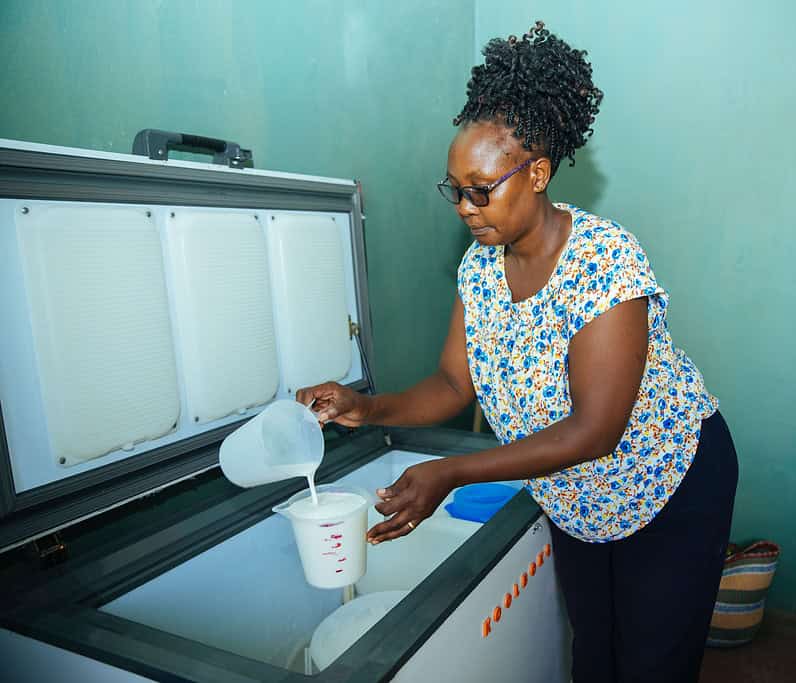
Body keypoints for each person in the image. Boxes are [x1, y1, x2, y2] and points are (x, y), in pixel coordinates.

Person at [297, 20, 738, 683]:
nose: (466, 208)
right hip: (575, 496)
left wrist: (453, 472)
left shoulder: (603, 258)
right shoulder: (479, 268)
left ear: (535, 173)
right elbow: (452, 384)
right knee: (594, 651)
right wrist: (368, 406)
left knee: (653, 664)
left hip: (666, 480)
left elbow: (596, 429)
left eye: (482, 188)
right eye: (455, 189)